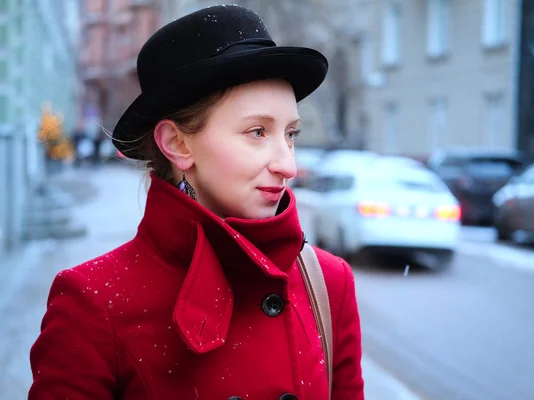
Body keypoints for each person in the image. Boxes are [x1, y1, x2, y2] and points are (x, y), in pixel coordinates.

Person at [29, 5, 364, 400]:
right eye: (257, 132)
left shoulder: (328, 283)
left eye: (290, 134)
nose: (287, 164)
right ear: (178, 143)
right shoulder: (93, 302)